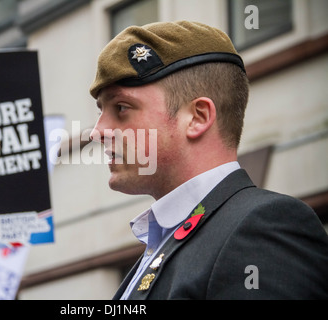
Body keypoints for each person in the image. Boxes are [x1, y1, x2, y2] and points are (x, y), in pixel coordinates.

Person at [88, 21, 328, 299]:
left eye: (121, 107)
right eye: (100, 111)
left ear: (198, 117)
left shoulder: (261, 228)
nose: (97, 132)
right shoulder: (169, 241)